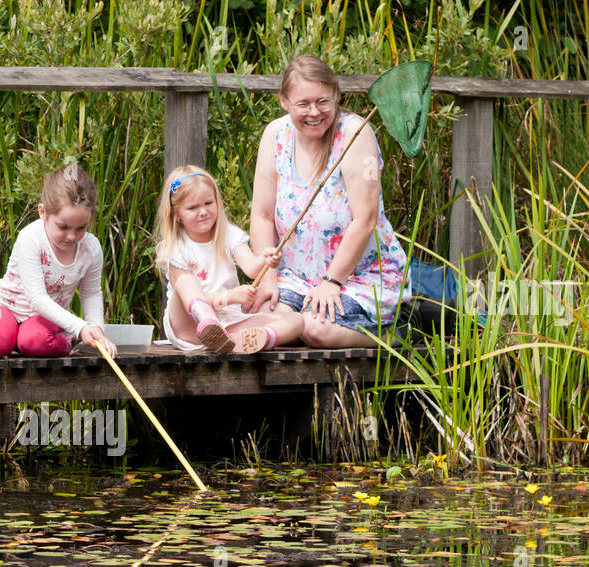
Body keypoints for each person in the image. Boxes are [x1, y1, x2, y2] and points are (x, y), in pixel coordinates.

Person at [250, 55, 410, 348]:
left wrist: (332, 282)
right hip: (297, 277)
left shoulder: (355, 133)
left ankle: (393, 332)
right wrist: (267, 278)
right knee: (262, 317)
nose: (314, 112)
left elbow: (366, 218)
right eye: (303, 104)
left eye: (323, 101)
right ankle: (296, 322)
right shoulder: (275, 134)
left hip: (359, 277)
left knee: (316, 330)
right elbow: (261, 215)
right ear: (284, 101)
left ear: (336, 95)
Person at [154, 164, 302, 353]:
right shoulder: (177, 247)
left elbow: (251, 268)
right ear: (177, 215)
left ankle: (248, 341)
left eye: (208, 203)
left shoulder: (229, 235)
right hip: (188, 326)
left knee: (297, 321)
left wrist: (265, 260)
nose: (203, 212)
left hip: (228, 321)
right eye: (192, 207)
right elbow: (187, 294)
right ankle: (207, 321)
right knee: (185, 282)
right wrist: (229, 297)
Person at [0, 165, 117, 359]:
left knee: (35, 340)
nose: (72, 236)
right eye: (63, 227)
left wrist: (96, 328)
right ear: (43, 212)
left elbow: (91, 293)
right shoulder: (30, 237)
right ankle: (15, 338)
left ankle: (63, 342)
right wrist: (80, 327)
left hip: (43, 320)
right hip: (6, 309)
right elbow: (37, 298)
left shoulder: (91, 248)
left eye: (81, 228)